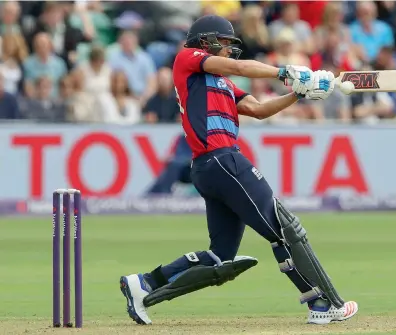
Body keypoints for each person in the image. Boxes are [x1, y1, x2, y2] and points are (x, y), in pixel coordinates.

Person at [120, 14, 358, 326]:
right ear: (206, 41)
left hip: (210, 168)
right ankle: (323, 303)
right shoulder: (187, 58)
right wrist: (287, 72)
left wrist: (300, 94)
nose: (230, 49)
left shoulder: (223, 83)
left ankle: (146, 284)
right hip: (222, 159)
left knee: (221, 257)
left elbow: (258, 110)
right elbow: (241, 66)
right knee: (284, 230)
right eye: (225, 42)